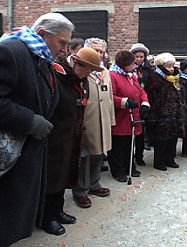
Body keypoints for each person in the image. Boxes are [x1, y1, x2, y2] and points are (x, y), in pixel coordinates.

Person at [0, 12, 73, 245]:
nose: (64, 49)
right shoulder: (12, 52)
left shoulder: (40, 56)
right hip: (10, 154)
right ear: (42, 34)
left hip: (27, 151)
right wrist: (30, 120)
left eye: (67, 44)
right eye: (62, 42)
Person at [43, 47, 103, 236]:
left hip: (72, 135)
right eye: (86, 70)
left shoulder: (80, 80)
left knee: (65, 175)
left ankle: (58, 210)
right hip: (55, 136)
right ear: (75, 63)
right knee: (52, 176)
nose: (88, 74)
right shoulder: (58, 76)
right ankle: (47, 217)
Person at [72, 38, 115, 209]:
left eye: (102, 52)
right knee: (83, 156)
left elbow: (109, 97)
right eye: (95, 51)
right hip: (86, 119)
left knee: (99, 152)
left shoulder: (104, 71)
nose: (99, 55)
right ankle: (80, 190)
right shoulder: (79, 71)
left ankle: (94, 183)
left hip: (102, 119)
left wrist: (111, 120)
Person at [108, 50, 150, 182]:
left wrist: (144, 103)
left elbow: (141, 90)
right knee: (118, 145)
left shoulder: (130, 76)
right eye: (132, 63)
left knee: (129, 144)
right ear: (124, 65)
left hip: (133, 116)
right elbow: (110, 96)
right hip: (121, 116)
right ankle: (118, 170)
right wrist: (124, 102)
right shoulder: (112, 76)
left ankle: (129, 165)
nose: (134, 66)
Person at [146, 52, 185, 171]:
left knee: (172, 139)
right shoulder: (155, 78)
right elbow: (151, 96)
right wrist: (153, 114)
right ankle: (159, 161)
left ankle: (170, 159)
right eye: (168, 66)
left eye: (172, 66)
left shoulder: (175, 79)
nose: (171, 69)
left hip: (174, 115)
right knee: (161, 140)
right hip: (160, 115)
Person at [130, 43, 153, 160]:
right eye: (137, 56)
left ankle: (139, 155)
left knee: (142, 130)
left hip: (145, 101)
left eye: (141, 57)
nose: (139, 59)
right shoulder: (129, 68)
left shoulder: (148, 69)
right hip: (132, 101)